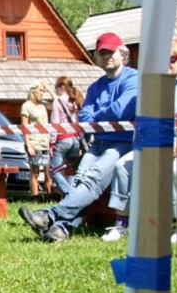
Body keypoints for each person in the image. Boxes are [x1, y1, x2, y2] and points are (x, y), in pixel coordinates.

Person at [18, 32, 138, 242]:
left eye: (111, 52)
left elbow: (120, 111)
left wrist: (97, 116)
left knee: (92, 179)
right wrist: (101, 116)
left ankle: (48, 216)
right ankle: (61, 229)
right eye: (102, 53)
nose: (107, 56)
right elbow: (84, 117)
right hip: (98, 143)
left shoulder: (133, 79)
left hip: (124, 143)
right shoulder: (95, 87)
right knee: (80, 181)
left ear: (123, 54)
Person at [101, 37, 177, 242]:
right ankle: (123, 223)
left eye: (172, 59)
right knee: (123, 165)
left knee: (175, 168)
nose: (166, 63)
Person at [49, 76, 85, 197]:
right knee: (70, 171)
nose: (55, 90)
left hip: (63, 138)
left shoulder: (57, 101)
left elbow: (55, 124)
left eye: (56, 87)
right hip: (76, 139)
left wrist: (52, 143)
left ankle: (69, 193)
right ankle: (73, 196)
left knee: (53, 170)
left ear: (62, 87)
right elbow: (80, 123)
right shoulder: (75, 101)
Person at [20, 81, 53, 197]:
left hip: (45, 142)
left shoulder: (43, 106)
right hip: (34, 142)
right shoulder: (26, 106)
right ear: (33, 91)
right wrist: (28, 145)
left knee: (48, 172)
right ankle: (35, 196)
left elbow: (58, 103)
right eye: (40, 90)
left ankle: (49, 196)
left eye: (43, 91)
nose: (42, 93)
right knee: (35, 172)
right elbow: (24, 127)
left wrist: (49, 90)